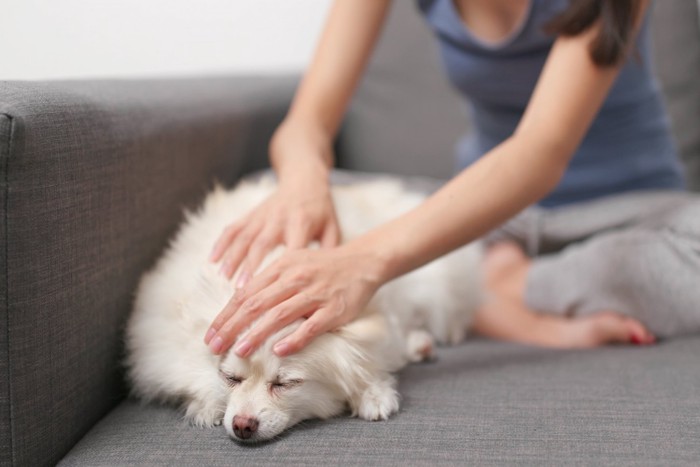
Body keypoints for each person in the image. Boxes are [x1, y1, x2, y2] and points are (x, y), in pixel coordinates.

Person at [204, 0, 700, 358]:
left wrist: (364, 261)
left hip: (627, 212)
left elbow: (540, 153)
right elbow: (305, 124)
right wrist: (303, 179)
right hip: (485, 215)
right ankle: (483, 284)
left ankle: (499, 290)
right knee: (269, 185)